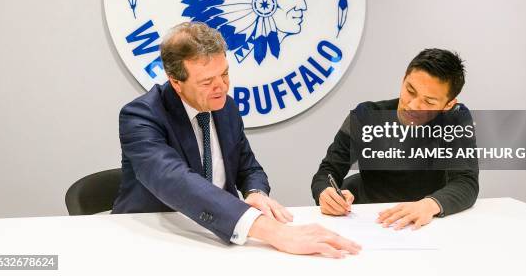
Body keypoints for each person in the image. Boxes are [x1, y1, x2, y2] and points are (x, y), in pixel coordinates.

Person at [113, 22, 360, 258]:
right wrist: (272, 231)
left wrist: (255, 192)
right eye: (207, 82)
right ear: (176, 82)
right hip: (156, 237)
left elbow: (248, 166)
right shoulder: (141, 115)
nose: (221, 87)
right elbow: (173, 179)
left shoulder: (225, 107)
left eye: (225, 74)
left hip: (217, 236)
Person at [311, 48, 479, 230]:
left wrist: (429, 205)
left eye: (429, 102)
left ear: (448, 105)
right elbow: (327, 172)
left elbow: (466, 182)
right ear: (403, 80)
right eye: (410, 90)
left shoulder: (455, 118)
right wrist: (325, 192)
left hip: (428, 223)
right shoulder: (365, 115)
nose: (413, 106)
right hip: (369, 220)